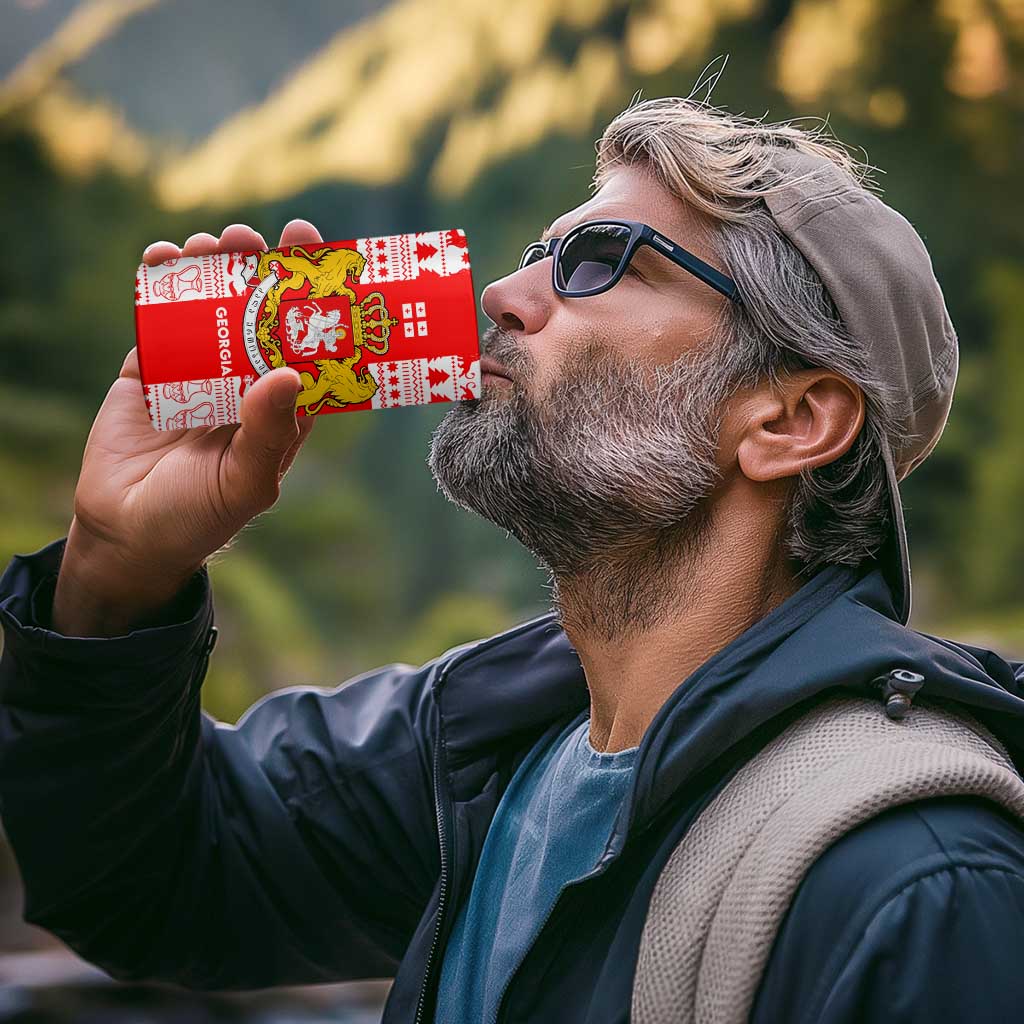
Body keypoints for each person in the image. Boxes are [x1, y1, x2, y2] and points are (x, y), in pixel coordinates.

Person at [2, 95, 1024, 1024]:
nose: (502, 291)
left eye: (600, 261)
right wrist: (116, 571)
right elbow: (148, 880)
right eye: (541, 252)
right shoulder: (479, 749)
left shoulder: (918, 884)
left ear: (791, 419)